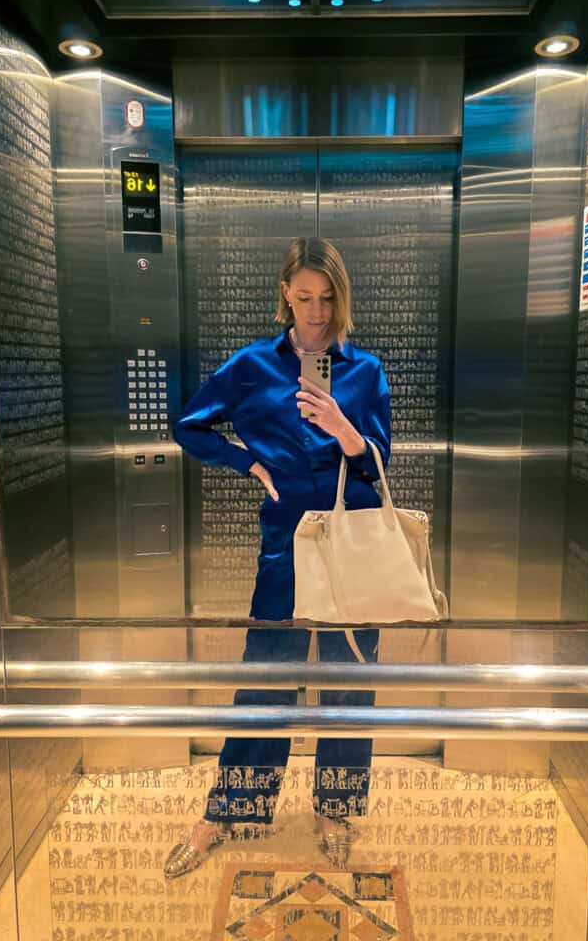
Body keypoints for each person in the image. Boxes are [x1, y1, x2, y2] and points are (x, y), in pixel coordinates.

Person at [164, 236, 392, 877]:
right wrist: (246, 461)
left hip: (353, 542)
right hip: (283, 547)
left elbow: (380, 465)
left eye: (327, 300)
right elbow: (190, 425)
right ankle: (229, 808)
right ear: (285, 297)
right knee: (264, 676)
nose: (316, 314)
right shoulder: (251, 366)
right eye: (304, 299)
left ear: (340, 299)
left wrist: (347, 431)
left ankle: (334, 808)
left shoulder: (365, 371)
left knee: (350, 678)